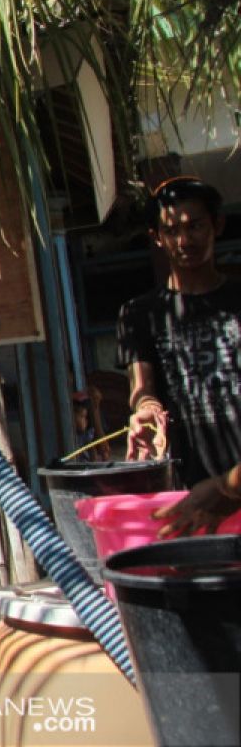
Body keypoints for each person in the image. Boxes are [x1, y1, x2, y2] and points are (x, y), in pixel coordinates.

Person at [116, 176, 241, 535]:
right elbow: (143, 390)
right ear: (157, 237)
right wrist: (147, 412)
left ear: (217, 225)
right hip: (192, 497)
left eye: (196, 226)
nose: (185, 241)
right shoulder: (138, 314)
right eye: (171, 231)